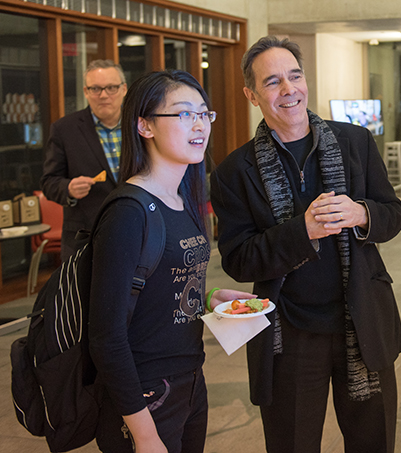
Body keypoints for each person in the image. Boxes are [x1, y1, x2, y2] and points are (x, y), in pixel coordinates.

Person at [210, 36, 401, 452]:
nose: (289, 90)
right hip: (289, 333)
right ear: (251, 94)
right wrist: (304, 231)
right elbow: (239, 260)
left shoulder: (355, 142)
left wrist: (362, 214)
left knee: (374, 439)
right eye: (273, 82)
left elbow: (393, 214)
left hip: (362, 318)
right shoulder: (233, 171)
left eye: (295, 76)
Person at [88, 70, 255, 453]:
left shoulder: (182, 199)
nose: (199, 125)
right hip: (146, 391)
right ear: (144, 125)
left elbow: (162, 284)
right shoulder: (128, 212)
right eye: (183, 114)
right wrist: (145, 435)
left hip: (190, 380)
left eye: (203, 114)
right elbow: (106, 337)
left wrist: (208, 296)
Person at [41, 59, 127, 260]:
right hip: (85, 237)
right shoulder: (64, 129)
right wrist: (68, 188)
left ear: (124, 89)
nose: (104, 95)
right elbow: (49, 181)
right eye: (95, 88)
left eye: (111, 88)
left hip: (138, 229)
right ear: (86, 91)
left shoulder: (141, 126)